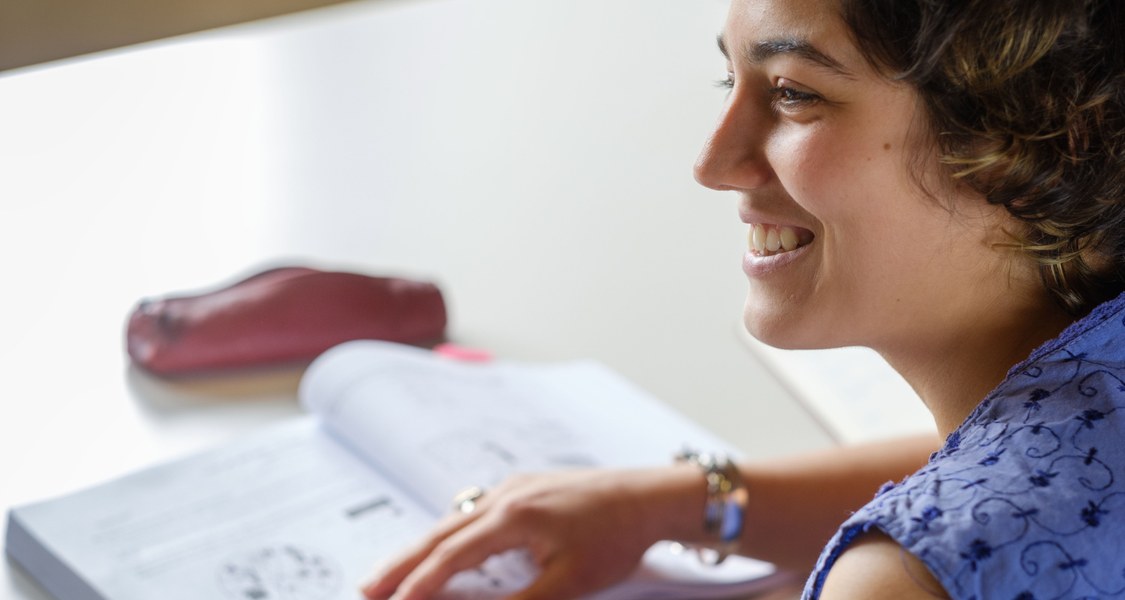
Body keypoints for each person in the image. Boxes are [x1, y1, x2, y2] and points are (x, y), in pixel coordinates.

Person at [362, 0, 1125, 597]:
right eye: (731, 81)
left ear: (1049, 133)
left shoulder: (902, 580)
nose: (712, 163)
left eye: (794, 93)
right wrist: (679, 502)